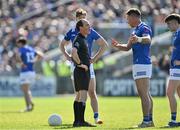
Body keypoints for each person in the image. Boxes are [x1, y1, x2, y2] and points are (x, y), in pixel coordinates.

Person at [60, 8, 108, 124]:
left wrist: (94, 59)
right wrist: (67, 56)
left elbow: (104, 45)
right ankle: (78, 120)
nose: (83, 20)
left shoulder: (89, 31)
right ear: (76, 19)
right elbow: (62, 45)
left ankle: (96, 117)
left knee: (91, 91)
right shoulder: (72, 32)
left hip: (87, 64)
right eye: (81, 18)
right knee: (79, 93)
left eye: (85, 17)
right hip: (77, 65)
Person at [111, 8, 154, 128]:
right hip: (137, 63)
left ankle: (146, 121)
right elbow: (127, 47)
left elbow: (148, 39)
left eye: (128, 18)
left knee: (143, 94)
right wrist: (118, 45)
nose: (127, 21)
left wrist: (139, 39)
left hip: (143, 63)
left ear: (134, 17)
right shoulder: (135, 30)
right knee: (145, 94)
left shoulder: (144, 27)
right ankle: (150, 121)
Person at [72, 19, 95, 127]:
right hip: (81, 71)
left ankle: (77, 121)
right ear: (80, 27)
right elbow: (73, 53)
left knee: (79, 96)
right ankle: (81, 121)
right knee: (83, 96)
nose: (89, 26)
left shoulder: (83, 39)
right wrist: (81, 64)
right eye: (87, 25)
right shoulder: (79, 38)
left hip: (80, 71)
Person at [16, 36, 43, 112]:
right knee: (26, 89)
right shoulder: (31, 49)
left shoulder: (21, 49)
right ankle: (31, 103)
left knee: (25, 90)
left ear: (21, 43)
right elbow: (41, 55)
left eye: (18, 43)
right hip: (32, 71)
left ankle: (28, 106)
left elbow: (17, 56)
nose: (18, 45)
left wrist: (21, 62)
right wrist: (34, 60)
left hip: (25, 71)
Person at [164, 13, 180, 127]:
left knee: (170, 92)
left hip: (178, 68)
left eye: (169, 24)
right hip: (175, 68)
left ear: (175, 22)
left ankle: (173, 121)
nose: (168, 26)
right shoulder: (176, 34)